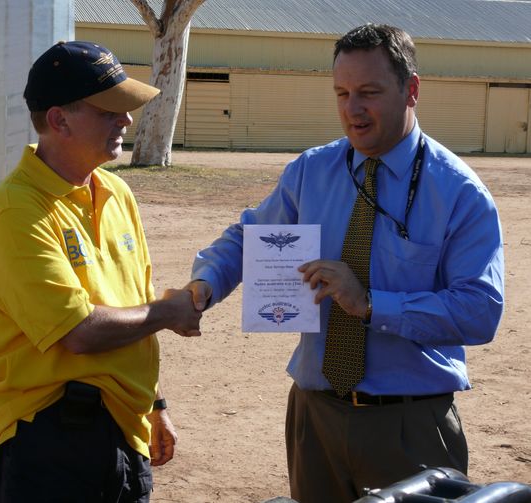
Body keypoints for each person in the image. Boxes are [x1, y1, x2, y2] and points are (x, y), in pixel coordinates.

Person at [186, 24, 504, 503]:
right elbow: (251, 236)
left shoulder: (459, 192)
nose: (352, 109)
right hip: (315, 419)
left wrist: (372, 303)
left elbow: (480, 310)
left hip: (409, 427)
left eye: (369, 93)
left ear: (411, 89)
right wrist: (206, 283)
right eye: (342, 92)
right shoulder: (311, 171)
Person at [0, 40, 202, 502]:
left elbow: (133, 307)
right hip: (50, 441)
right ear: (59, 119)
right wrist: (170, 312)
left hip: (125, 428)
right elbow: (78, 331)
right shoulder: (16, 209)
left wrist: (156, 403)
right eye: (109, 111)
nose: (126, 120)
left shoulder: (117, 194)